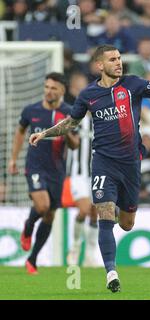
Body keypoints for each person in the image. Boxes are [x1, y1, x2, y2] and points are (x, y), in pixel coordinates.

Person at [28, 45, 150, 293]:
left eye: (119, 58)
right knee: (105, 217)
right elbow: (70, 123)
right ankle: (111, 273)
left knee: (126, 224)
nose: (118, 62)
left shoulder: (133, 84)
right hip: (103, 163)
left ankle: (116, 222)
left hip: (130, 165)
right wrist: (46, 133)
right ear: (99, 65)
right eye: (112, 59)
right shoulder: (88, 95)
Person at [8, 72, 79, 274]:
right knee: (42, 205)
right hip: (35, 167)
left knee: (49, 216)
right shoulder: (31, 110)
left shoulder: (70, 113)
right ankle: (28, 226)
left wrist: (65, 133)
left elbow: (75, 145)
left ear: (62, 91)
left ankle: (32, 259)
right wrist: (13, 159)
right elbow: (20, 131)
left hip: (57, 170)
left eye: (53, 88)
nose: (49, 91)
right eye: (47, 87)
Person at [66, 112, 99, 267]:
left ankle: (90, 255)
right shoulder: (76, 120)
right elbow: (72, 144)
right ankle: (75, 247)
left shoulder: (103, 120)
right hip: (78, 173)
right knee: (84, 209)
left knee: (94, 212)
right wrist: (67, 133)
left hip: (97, 173)